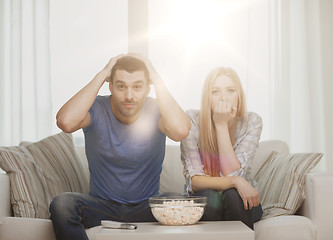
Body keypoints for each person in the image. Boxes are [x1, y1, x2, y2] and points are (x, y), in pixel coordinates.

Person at [50, 54, 191, 240]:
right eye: (121, 86)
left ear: (148, 88)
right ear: (110, 85)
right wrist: (102, 74)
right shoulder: (97, 108)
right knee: (62, 204)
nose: (129, 96)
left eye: (137, 87)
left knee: (182, 203)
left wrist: (156, 77)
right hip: (100, 206)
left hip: (147, 207)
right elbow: (65, 122)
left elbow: (180, 130)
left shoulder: (157, 109)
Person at [180, 66, 263, 229]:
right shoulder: (191, 120)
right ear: (207, 98)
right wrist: (237, 181)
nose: (223, 98)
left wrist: (221, 125)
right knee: (209, 197)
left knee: (233, 195)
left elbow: (231, 172)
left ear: (239, 96)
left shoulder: (252, 122)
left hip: (240, 201)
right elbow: (195, 181)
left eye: (230, 91)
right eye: (215, 92)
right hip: (205, 198)